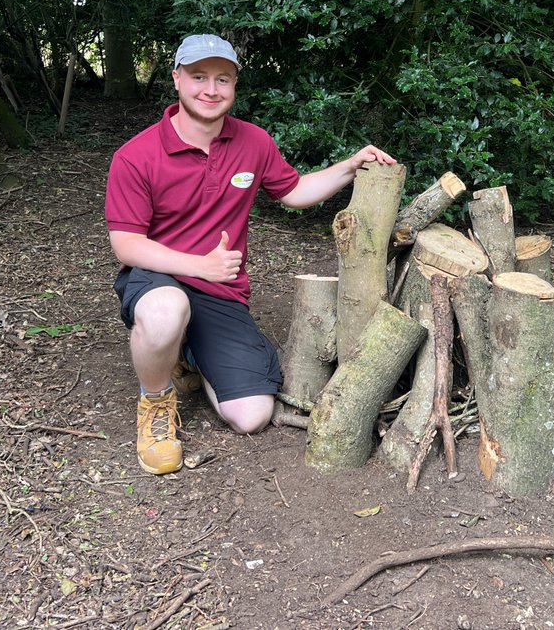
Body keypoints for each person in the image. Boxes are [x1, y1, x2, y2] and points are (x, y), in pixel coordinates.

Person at [105, 34, 395, 475]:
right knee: (167, 310)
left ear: (235, 85)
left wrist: (349, 167)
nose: (211, 89)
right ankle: (156, 405)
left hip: (218, 291)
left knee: (251, 415)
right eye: (199, 77)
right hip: (157, 278)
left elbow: (294, 191)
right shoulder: (137, 155)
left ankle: (187, 356)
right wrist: (199, 265)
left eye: (223, 79)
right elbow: (126, 246)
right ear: (177, 80)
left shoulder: (252, 142)